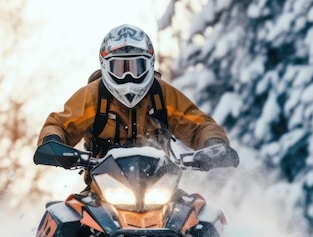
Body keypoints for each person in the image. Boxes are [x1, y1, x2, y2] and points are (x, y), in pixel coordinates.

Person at [35, 24, 235, 165]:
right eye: (121, 67)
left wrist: (213, 144)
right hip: (101, 193)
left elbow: (198, 125)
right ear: (105, 66)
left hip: (162, 187)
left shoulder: (162, 95)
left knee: (203, 216)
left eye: (136, 66)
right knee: (65, 217)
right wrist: (53, 143)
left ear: (149, 64)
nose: (129, 75)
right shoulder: (93, 96)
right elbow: (60, 124)